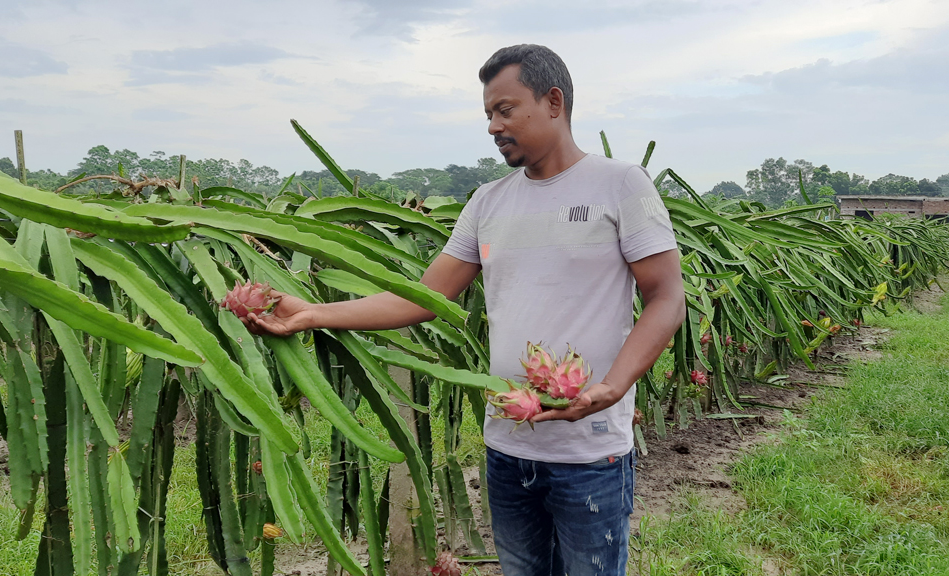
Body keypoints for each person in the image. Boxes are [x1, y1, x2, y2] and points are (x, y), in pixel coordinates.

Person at [245, 44, 685, 576]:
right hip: (507, 445)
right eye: (488, 115)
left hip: (590, 453)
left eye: (505, 109)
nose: (494, 127)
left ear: (553, 102)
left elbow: (667, 297)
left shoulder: (620, 186)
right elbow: (423, 298)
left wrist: (612, 388)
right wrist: (312, 313)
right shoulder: (488, 202)